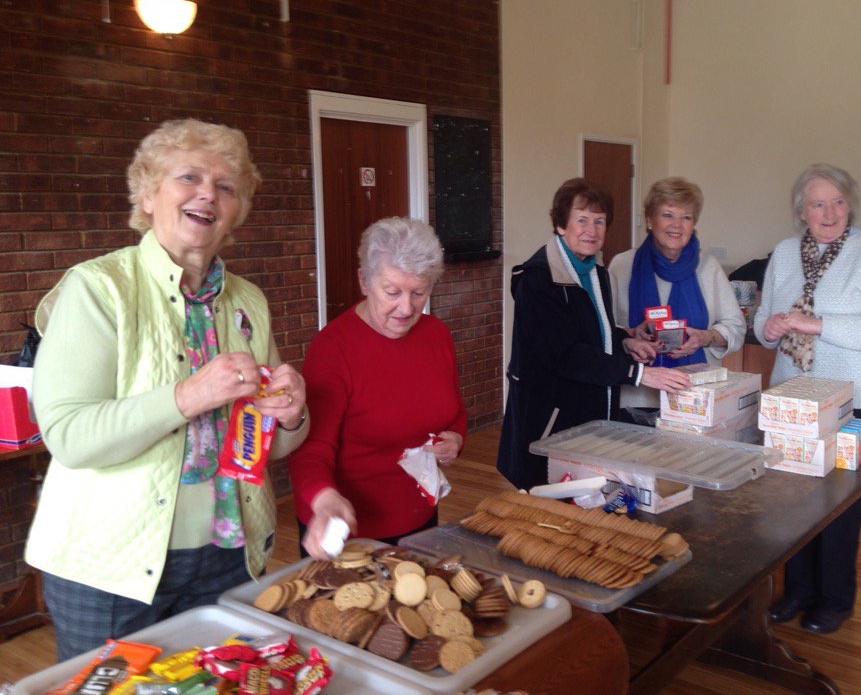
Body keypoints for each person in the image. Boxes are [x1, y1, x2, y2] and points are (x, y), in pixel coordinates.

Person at [27, 118, 309, 661]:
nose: (208, 193)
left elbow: (272, 444)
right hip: (108, 573)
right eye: (189, 177)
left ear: (236, 213)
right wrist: (188, 396)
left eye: (227, 187)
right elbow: (68, 435)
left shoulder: (248, 301)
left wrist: (293, 416)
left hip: (229, 556)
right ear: (149, 194)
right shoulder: (98, 288)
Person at [754, 163, 861, 634]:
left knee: (840, 500)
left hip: (851, 400)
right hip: (791, 396)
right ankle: (797, 590)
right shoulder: (782, 253)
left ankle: (835, 598)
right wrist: (772, 327)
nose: (830, 211)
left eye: (838, 201)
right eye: (818, 203)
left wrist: (815, 324)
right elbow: (762, 326)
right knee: (791, 498)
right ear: (802, 211)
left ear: (850, 205)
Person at [497, 178, 695, 490]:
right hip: (550, 422)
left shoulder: (596, 273)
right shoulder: (537, 280)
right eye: (582, 220)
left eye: (600, 221)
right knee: (550, 509)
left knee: (590, 502)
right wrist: (640, 374)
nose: (592, 230)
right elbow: (565, 354)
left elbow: (590, 332)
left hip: (591, 413)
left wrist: (624, 340)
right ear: (561, 225)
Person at [289, 217, 466, 558]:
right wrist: (323, 497)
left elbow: (454, 410)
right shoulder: (333, 348)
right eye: (392, 291)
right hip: (347, 530)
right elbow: (310, 449)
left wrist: (456, 438)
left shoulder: (437, 334)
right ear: (364, 281)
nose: (406, 307)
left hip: (420, 519)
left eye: (419, 292)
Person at [608, 177, 746, 423]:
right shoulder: (622, 265)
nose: (677, 225)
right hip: (638, 397)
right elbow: (604, 331)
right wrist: (630, 335)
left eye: (686, 217)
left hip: (696, 397)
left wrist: (706, 337)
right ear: (650, 220)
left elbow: (736, 326)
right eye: (668, 215)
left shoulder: (708, 267)